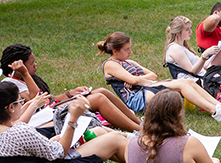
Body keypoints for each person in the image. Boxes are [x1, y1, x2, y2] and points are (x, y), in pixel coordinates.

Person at [0, 81, 128, 163]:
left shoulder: (6, 133)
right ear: (11, 107)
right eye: (20, 102)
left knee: (98, 132)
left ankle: (137, 159)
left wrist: (50, 141)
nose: (22, 105)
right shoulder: (19, 132)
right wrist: (73, 118)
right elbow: (60, 152)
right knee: (114, 138)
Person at [99, 32, 221, 123]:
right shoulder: (110, 64)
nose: (130, 52)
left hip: (147, 89)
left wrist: (140, 80)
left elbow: (152, 75)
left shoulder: (128, 62)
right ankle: (216, 112)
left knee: (187, 81)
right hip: (137, 99)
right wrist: (139, 80)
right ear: (115, 51)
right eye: (127, 49)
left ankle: (220, 106)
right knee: (182, 84)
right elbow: (135, 80)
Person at [1, 44, 143, 132]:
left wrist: (70, 93)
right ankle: (138, 130)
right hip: (44, 119)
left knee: (101, 91)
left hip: (52, 109)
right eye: (31, 63)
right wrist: (26, 73)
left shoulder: (30, 78)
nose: (35, 65)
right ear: (18, 66)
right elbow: (37, 101)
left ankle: (138, 122)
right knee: (98, 98)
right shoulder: (11, 85)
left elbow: (50, 99)